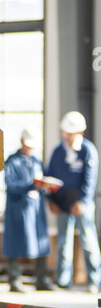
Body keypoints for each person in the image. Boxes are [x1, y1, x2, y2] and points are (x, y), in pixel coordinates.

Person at [47, 111, 101, 292]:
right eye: (65, 133)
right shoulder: (58, 151)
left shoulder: (87, 151)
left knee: (88, 240)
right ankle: (63, 280)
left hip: (81, 203)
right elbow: (50, 176)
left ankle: (95, 280)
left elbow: (90, 179)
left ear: (80, 133)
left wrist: (82, 201)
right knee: (63, 241)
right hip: (61, 202)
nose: (66, 136)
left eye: (70, 133)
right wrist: (51, 200)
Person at [2, 129, 54, 292]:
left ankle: (41, 279)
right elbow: (11, 186)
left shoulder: (36, 162)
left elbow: (42, 181)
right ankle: (14, 279)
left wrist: (46, 188)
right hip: (18, 210)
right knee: (15, 241)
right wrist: (31, 185)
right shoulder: (12, 161)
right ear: (22, 142)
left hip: (35, 209)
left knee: (40, 240)